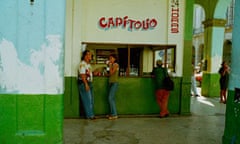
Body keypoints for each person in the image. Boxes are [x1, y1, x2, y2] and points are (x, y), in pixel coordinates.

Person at [78, 50, 96, 120]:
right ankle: (90, 116)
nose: (89, 56)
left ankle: (91, 114)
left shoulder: (88, 65)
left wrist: (94, 73)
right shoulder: (82, 64)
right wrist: (86, 84)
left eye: (90, 55)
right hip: (84, 83)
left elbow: (88, 73)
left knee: (91, 100)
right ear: (84, 56)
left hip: (89, 83)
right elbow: (82, 75)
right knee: (87, 100)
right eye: (88, 55)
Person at [106, 54, 119, 120]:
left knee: (110, 98)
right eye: (109, 58)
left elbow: (111, 73)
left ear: (115, 59)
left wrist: (110, 65)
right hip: (111, 83)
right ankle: (112, 113)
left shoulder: (116, 64)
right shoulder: (112, 65)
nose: (110, 59)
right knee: (111, 99)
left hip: (114, 83)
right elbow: (109, 73)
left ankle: (114, 114)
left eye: (111, 58)